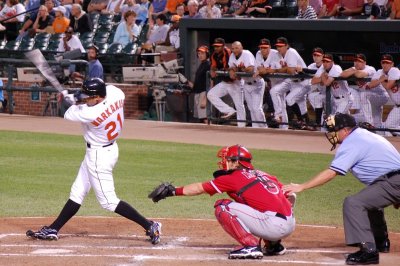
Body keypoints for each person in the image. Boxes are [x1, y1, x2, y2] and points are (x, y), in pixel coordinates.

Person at [26, 78, 162, 246]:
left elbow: (68, 113)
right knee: (77, 192)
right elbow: (90, 98)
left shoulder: (89, 113)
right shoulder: (116, 93)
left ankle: (150, 225)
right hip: (110, 149)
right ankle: (53, 228)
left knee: (108, 201)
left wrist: (68, 99)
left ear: (98, 98)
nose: (85, 98)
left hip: (98, 156)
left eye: (89, 97)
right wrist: (77, 97)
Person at [283, 112, 400, 265]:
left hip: (393, 181)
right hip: (393, 180)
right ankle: (380, 241)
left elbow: (332, 172)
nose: (331, 134)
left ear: (345, 130)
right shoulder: (364, 135)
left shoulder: (352, 141)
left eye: (334, 130)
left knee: (354, 203)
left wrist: (302, 187)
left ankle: (368, 251)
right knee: (370, 202)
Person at [149, 144, 295, 259]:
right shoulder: (263, 174)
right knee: (255, 204)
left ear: (237, 162)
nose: (224, 162)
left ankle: (250, 246)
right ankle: (274, 245)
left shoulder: (233, 178)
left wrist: (173, 191)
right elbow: (291, 195)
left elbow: (199, 188)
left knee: (223, 206)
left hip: (273, 226)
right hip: (289, 223)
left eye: (228, 160)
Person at [268, 37, 308, 129]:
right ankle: (279, 115)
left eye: (281, 46)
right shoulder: (278, 55)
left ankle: (304, 122)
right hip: (292, 81)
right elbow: (276, 70)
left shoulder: (291, 52)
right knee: (274, 91)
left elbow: (290, 70)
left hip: (303, 82)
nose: (279, 48)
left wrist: (279, 70)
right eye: (277, 46)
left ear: (287, 46)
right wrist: (282, 69)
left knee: (294, 102)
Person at [341, 53, 389, 128]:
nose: (357, 63)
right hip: (371, 99)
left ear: (364, 63)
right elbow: (342, 74)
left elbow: (359, 75)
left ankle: (369, 123)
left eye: (359, 61)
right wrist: (354, 70)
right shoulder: (355, 69)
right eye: (355, 61)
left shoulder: (370, 68)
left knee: (363, 94)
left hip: (381, 95)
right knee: (377, 125)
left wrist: (353, 71)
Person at [207, 41, 246, 128]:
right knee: (211, 94)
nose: (216, 48)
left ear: (223, 46)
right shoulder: (214, 55)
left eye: (218, 46)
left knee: (239, 104)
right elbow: (213, 66)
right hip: (225, 82)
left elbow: (230, 67)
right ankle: (228, 110)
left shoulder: (228, 53)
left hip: (235, 83)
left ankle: (242, 126)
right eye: (215, 46)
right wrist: (213, 70)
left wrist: (224, 70)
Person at [229, 41, 266, 128]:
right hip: (246, 83)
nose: (235, 50)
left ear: (241, 47)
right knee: (251, 108)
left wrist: (239, 70)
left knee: (257, 108)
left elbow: (251, 68)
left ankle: (264, 128)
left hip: (257, 83)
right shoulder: (232, 56)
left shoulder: (247, 54)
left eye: (237, 48)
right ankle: (256, 128)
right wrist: (232, 71)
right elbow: (231, 67)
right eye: (233, 48)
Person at [368, 54, 400, 134]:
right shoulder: (379, 72)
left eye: (387, 63)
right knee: (389, 126)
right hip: (397, 106)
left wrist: (381, 80)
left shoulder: (394, 70)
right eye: (383, 62)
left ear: (392, 64)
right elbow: (371, 85)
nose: (385, 65)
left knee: (390, 126)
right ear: (381, 63)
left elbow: (388, 86)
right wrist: (381, 79)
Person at [187, 45, 210, 124]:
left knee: (204, 117)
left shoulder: (208, 65)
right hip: (198, 92)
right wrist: (187, 82)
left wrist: (205, 99)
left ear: (207, 54)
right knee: (201, 117)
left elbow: (211, 83)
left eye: (202, 53)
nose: (200, 55)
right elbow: (198, 83)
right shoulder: (202, 65)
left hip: (203, 93)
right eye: (199, 53)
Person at [306, 47, 325, 127]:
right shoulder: (311, 66)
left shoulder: (326, 65)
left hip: (328, 92)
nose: (316, 57)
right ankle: (319, 124)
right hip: (317, 93)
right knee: (312, 96)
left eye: (318, 55)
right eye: (314, 55)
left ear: (322, 56)